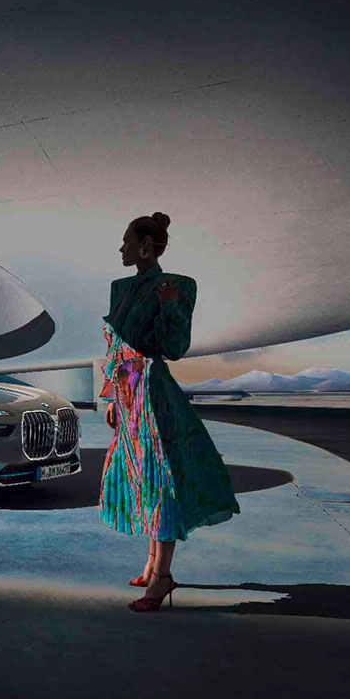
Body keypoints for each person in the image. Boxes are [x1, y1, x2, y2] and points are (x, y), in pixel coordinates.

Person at [99, 212, 241, 612]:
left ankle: (162, 578)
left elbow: (175, 348)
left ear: (145, 245)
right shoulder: (119, 288)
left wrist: (169, 306)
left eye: (126, 240)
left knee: (161, 480)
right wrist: (112, 396)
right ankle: (151, 565)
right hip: (129, 392)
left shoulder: (179, 286)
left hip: (155, 393)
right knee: (142, 478)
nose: (121, 248)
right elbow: (117, 349)